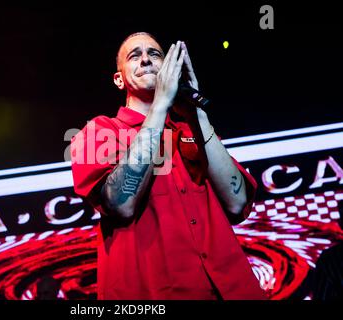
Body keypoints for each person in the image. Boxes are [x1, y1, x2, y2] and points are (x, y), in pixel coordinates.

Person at [70, 32, 267, 300]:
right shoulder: (101, 131)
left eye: (154, 54)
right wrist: (160, 106)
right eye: (134, 55)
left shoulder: (193, 129)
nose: (146, 60)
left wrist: (198, 115)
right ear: (118, 79)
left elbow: (237, 201)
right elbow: (120, 204)